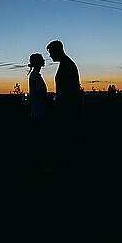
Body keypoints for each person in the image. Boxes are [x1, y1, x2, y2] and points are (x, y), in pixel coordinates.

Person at [46, 40, 83, 168]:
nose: (50, 56)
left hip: (69, 110)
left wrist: (60, 104)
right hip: (68, 108)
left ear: (57, 50)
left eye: (51, 52)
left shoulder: (67, 65)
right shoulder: (66, 64)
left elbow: (69, 91)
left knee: (69, 139)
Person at [27, 53, 51, 171]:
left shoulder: (34, 75)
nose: (43, 60)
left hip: (38, 112)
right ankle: (42, 165)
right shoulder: (35, 76)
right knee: (42, 140)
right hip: (40, 113)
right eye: (41, 59)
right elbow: (41, 94)